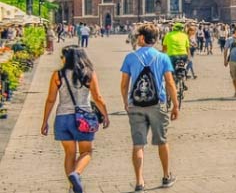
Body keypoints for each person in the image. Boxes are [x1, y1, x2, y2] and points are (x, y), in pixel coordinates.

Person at [40, 46, 111, 193]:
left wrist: (45, 120)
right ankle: (76, 174)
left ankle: (72, 188)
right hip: (83, 118)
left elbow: (50, 99)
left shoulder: (58, 74)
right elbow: (97, 97)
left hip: (62, 118)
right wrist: (105, 115)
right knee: (87, 152)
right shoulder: (89, 73)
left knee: (69, 154)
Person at [119, 24, 178, 192]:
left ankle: (139, 182)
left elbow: (124, 84)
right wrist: (175, 105)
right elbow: (170, 83)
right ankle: (166, 176)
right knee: (162, 141)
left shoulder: (130, 58)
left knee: (138, 144)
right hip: (157, 103)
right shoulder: (162, 57)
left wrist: (125, 101)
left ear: (142, 38)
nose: (137, 39)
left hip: (136, 105)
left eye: (138, 37)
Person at [161, 22, 192, 87]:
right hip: (183, 55)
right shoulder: (185, 35)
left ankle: (173, 81)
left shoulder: (168, 35)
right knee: (184, 66)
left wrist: (163, 54)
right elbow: (187, 48)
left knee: (171, 70)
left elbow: (164, 48)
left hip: (172, 56)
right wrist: (189, 57)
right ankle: (183, 79)